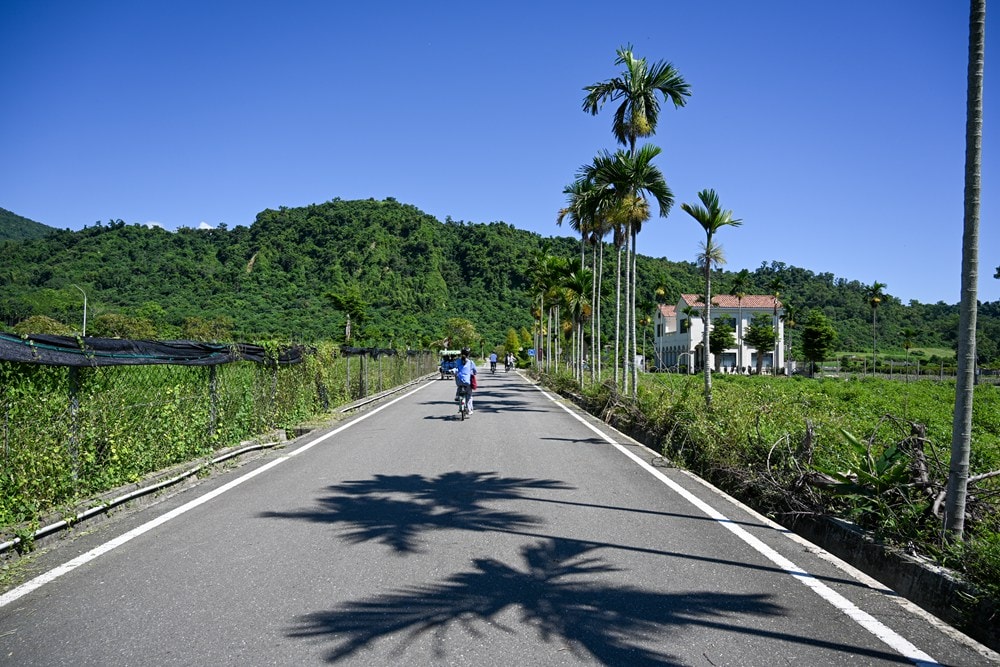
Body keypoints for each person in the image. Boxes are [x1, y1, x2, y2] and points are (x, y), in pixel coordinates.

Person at [454, 347, 478, 413]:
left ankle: (457, 395)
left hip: (459, 382)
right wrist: (473, 373)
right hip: (467, 382)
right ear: (469, 354)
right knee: (469, 395)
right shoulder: (470, 362)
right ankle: (469, 410)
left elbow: (455, 369)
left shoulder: (457, 361)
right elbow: (475, 371)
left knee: (459, 387)